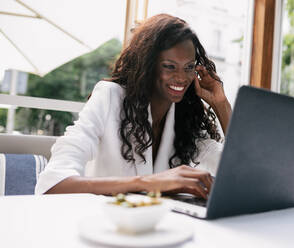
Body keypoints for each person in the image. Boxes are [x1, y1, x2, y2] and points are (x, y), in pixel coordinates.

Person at [35, 14, 232, 199]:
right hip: (103, 223)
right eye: (169, 66)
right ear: (148, 65)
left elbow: (240, 168)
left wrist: (221, 105)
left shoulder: (184, 119)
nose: (181, 77)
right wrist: (148, 183)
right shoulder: (110, 97)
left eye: (189, 67)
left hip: (159, 227)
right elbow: (52, 184)